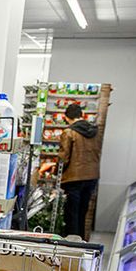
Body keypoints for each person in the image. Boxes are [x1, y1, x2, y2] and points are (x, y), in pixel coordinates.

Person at [58, 102, 101, 239]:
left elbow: (64, 157)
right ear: (81, 115)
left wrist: (55, 171)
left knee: (72, 212)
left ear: (66, 117)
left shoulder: (69, 132)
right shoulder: (95, 132)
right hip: (92, 176)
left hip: (74, 177)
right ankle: (82, 240)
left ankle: (72, 243)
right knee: (83, 211)